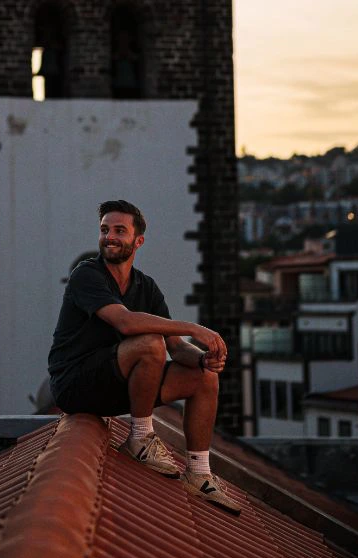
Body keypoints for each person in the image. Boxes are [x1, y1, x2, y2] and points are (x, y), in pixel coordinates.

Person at [48, 200, 241, 514]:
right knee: (150, 342)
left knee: (204, 376)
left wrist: (204, 359)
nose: (110, 236)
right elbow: (125, 322)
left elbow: (177, 348)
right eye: (104, 230)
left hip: (119, 385)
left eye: (119, 231)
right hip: (76, 384)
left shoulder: (146, 287)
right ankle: (141, 438)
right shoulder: (87, 275)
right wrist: (194, 327)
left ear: (138, 240)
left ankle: (199, 472)